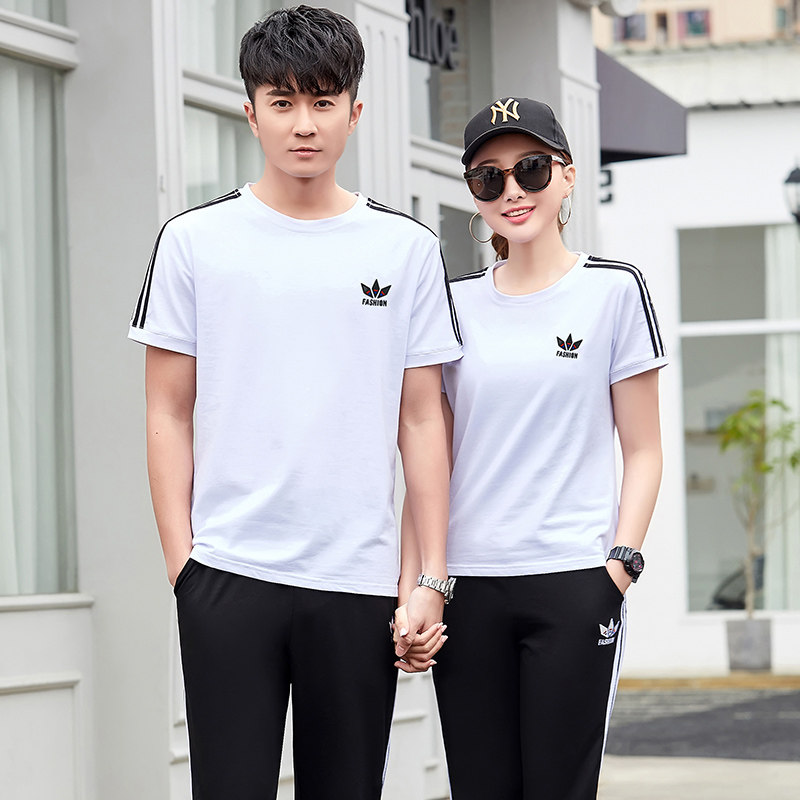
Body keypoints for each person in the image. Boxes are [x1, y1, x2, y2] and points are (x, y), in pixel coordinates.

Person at [128, 6, 462, 799]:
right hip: (227, 573)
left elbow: (423, 420)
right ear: (251, 113)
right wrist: (184, 567)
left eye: (321, 101)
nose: (303, 124)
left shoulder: (406, 249)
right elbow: (166, 411)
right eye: (282, 102)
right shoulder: (193, 241)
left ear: (355, 110)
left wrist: (431, 577)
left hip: (356, 578)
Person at [395, 97, 667, 799]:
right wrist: (417, 585)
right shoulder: (452, 304)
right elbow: (429, 461)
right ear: (473, 194)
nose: (512, 190)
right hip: (468, 587)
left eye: (531, 169)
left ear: (567, 175)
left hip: (573, 580)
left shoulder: (613, 290)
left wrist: (618, 567)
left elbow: (643, 449)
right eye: (489, 177)